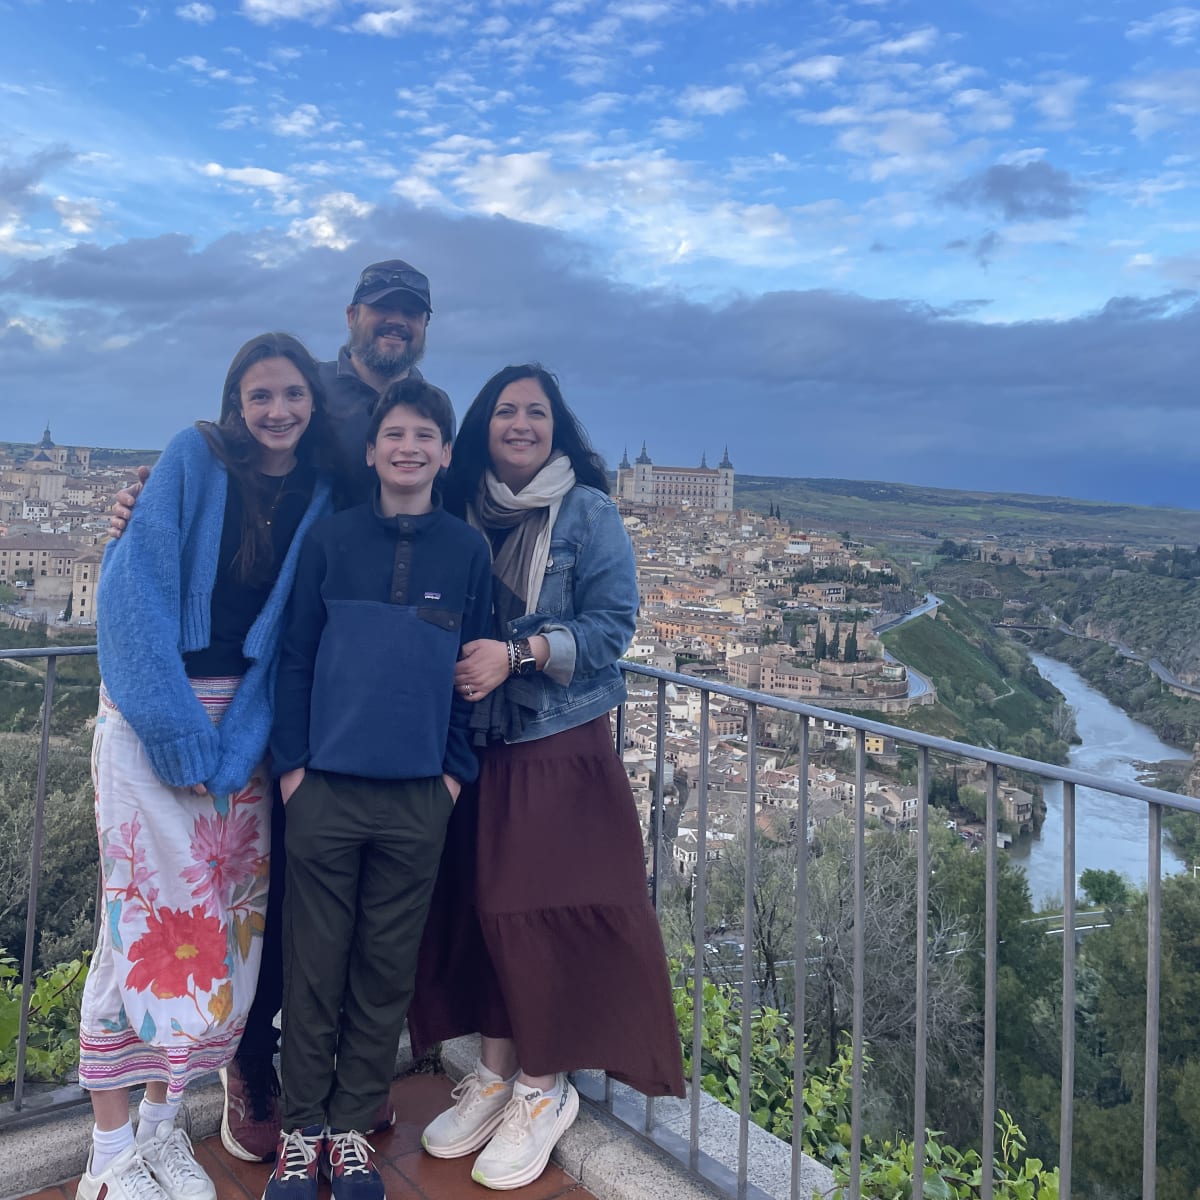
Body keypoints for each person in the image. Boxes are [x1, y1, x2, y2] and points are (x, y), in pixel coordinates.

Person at [108, 259, 448, 1163]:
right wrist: (140, 509)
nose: (394, 324)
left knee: (276, 908)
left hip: (329, 706)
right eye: (382, 310)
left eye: (409, 314)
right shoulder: (298, 394)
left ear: (423, 327)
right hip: (278, 701)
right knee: (236, 905)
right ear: (354, 316)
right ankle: (246, 1077)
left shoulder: (425, 403)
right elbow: (204, 497)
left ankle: (330, 1085)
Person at [407, 364, 685, 1193]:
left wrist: (520, 653)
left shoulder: (588, 512)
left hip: (558, 743)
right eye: (505, 411)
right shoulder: (461, 510)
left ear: (557, 427)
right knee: (489, 909)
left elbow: (612, 625)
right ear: (484, 429)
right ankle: (497, 1070)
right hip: (477, 742)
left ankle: (543, 1085)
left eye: (536, 412)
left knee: (545, 913)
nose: (520, 423)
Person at [76, 333, 336, 1200]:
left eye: (293, 394)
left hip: (241, 734)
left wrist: (236, 740)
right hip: (158, 718)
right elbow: (132, 595)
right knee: (138, 924)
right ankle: (108, 1153)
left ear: (312, 402)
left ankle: (161, 1127)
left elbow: (283, 636)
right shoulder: (192, 456)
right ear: (235, 401)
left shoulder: (320, 487)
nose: (278, 411)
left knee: (215, 936)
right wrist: (179, 731)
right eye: (261, 395)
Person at [261, 378, 493, 1199]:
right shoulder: (330, 541)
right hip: (323, 787)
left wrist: (454, 778)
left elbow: (477, 672)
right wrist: (292, 769)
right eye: (394, 433)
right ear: (372, 450)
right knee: (314, 967)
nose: (407, 447)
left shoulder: (467, 554)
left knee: (385, 970)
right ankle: (302, 1132)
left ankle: (354, 1128)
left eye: (424, 435)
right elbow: (294, 658)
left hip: (417, 799)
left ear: (444, 453)